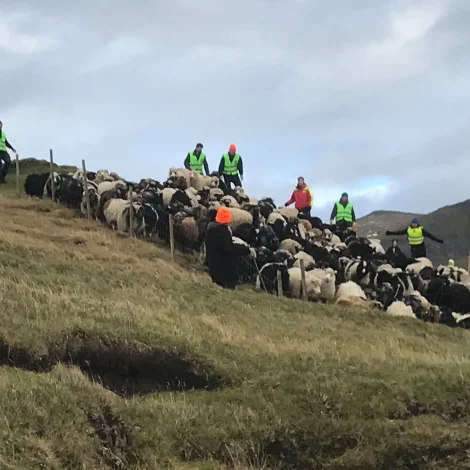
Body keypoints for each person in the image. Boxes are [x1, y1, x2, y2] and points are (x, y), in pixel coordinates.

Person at [205, 207, 255, 289]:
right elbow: (229, 248)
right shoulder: (223, 231)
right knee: (226, 290)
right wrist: (246, 249)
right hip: (224, 269)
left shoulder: (210, 229)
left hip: (213, 265)